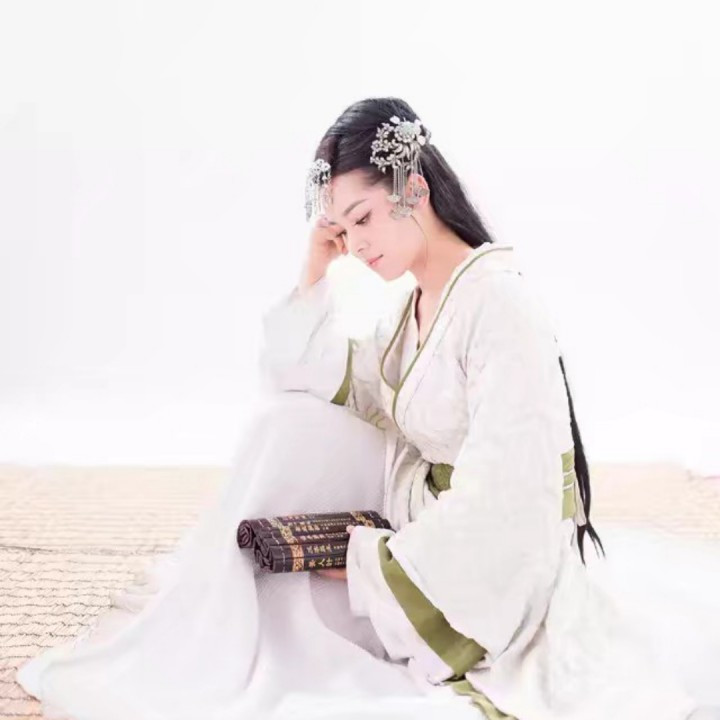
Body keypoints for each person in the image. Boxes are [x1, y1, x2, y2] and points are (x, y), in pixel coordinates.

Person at [15, 97, 720, 720]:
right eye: (341, 229)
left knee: (321, 647)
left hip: (495, 563)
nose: (355, 245)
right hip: (425, 528)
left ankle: (266, 632)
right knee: (284, 425)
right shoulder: (415, 308)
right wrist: (314, 267)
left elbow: (511, 498)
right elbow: (311, 379)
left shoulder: (497, 304)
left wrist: (375, 563)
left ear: (414, 189)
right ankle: (221, 627)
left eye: (363, 219)